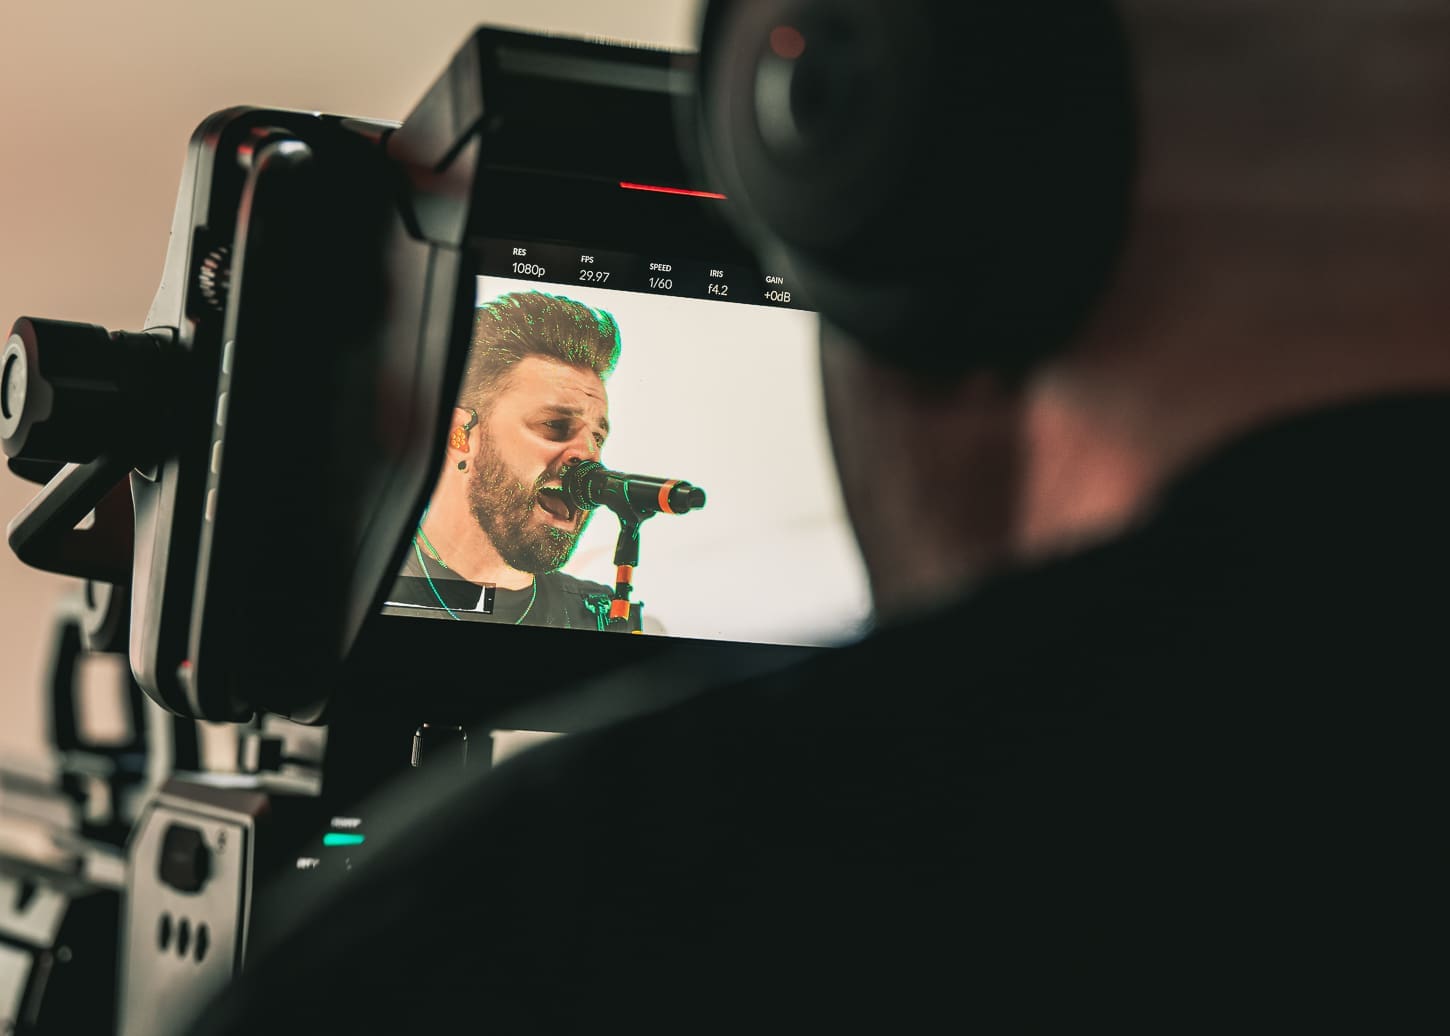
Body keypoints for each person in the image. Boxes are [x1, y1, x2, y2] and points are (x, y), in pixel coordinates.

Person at [187, 0, 1448, 1031]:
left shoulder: (565, 933)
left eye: (597, 433)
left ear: (891, 186)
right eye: (554, 428)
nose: (584, 466)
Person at [384, 288, 642, 632]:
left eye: (597, 437)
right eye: (555, 425)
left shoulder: (605, 619)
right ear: (460, 437)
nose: (588, 456)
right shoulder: (365, 584)